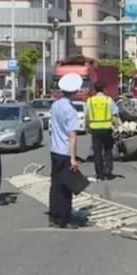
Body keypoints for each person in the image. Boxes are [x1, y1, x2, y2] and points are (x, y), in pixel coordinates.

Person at [48, 74, 82, 228]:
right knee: (66, 187)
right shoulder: (71, 109)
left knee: (55, 184)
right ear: (75, 90)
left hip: (54, 150)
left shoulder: (55, 105)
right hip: (65, 152)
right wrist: (73, 158)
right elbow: (72, 136)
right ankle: (64, 218)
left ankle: (54, 216)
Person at [86, 81, 120, 181]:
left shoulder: (90, 101)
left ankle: (100, 174)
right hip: (107, 129)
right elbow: (114, 116)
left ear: (94, 90)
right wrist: (117, 127)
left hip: (95, 130)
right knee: (108, 150)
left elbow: (87, 117)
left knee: (97, 152)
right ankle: (108, 171)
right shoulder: (108, 100)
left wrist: (87, 127)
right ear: (104, 89)